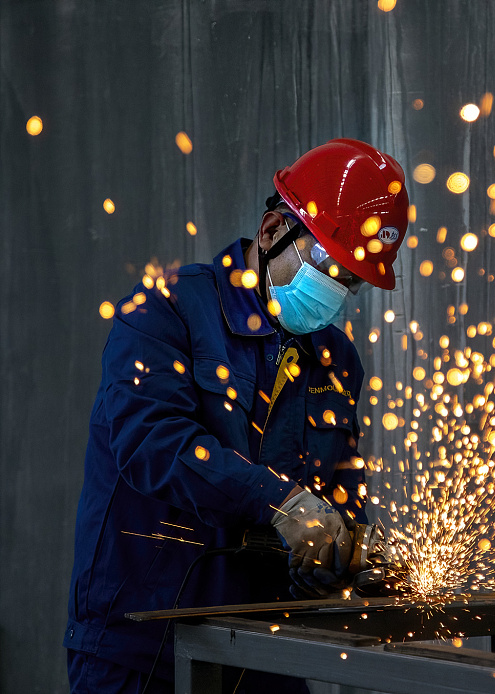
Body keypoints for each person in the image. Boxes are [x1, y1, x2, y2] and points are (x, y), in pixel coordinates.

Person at [64, 139, 409, 693]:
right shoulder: (165, 310)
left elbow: (337, 496)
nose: (339, 294)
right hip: (143, 651)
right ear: (274, 232)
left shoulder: (335, 359)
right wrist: (281, 503)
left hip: (264, 654)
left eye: (352, 281)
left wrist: (341, 557)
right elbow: (153, 444)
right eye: (330, 269)